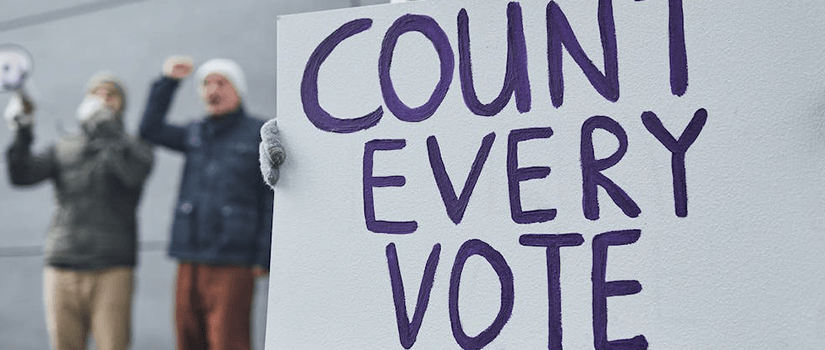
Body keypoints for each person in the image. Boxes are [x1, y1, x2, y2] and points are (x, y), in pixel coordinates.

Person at [4, 72, 154, 350]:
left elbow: (133, 175)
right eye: (97, 93)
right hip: (62, 263)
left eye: (111, 95)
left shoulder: (135, 148)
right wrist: (22, 132)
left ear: (122, 104)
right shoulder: (65, 146)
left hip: (112, 266)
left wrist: (107, 129)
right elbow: (22, 176)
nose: (103, 100)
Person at [139, 56, 280, 350]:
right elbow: (149, 129)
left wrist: (264, 253)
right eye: (206, 83)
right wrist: (168, 82)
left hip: (234, 259)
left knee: (228, 341)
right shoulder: (195, 132)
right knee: (188, 338)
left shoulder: (258, 134)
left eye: (221, 82)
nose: (213, 90)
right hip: (190, 256)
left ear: (238, 90)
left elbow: (271, 198)